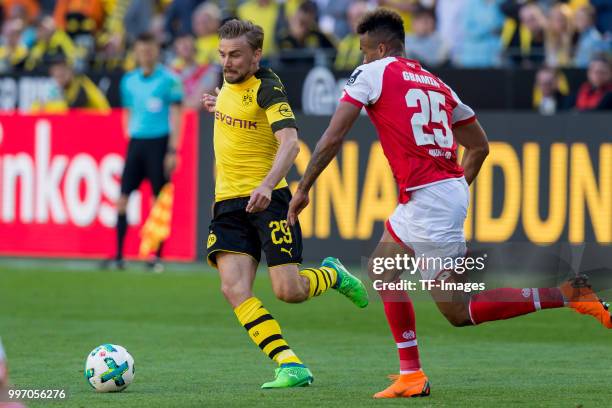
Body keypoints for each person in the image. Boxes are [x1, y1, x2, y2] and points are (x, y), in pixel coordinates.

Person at [287, 8, 612, 399]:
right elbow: (479, 146)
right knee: (382, 270)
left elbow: (333, 136)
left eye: (363, 50)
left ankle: (567, 295)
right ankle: (411, 374)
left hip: (430, 197)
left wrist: (304, 186)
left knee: (458, 309)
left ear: (382, 47)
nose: (361, 58)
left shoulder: (374, 73)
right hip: (437, 193)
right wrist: (454, 188)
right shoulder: (435, 82)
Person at [200, 19, 368, 389]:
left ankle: (333, 274)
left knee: (288, 292)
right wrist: (219, 106)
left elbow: (291, 143)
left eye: (236, 55)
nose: (227, 63)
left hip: (268, 199)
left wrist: (265, 184)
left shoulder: (268, 88)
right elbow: (241, 117)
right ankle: (289, 364)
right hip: (227, 203)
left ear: (257, 55)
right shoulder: (228, 85)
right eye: (223, 55)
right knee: (233, 289)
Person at [102, 33, 184, 271]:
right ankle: (119, 255)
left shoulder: (170, 80)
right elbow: (128, 111)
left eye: (149, 50)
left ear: (156, 51)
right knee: (122, 198)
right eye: (141, 50)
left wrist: (173, 150)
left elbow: (178, 117)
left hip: (160, 142)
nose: (145, 54)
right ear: (136, 52)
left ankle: (155, 256)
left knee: (157, 201)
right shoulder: (128, 81)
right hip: (136, 143)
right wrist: (129, 134)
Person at [31, 55, 110, 112]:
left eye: (62, 73)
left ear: (70, 71)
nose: (59, 78)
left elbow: (69, 111)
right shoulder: (59, 88)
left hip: (101, 121)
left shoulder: (80, 85)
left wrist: (45, 108)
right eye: (56, 75)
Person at [170, 33, 220, 109]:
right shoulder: (172, 73)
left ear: (195, 46)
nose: (184, 45)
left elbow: (196, 103)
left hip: (203, 118)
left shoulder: (208, 70)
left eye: (187, 42)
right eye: (180, 43)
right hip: (179, 118)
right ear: (176, 49)